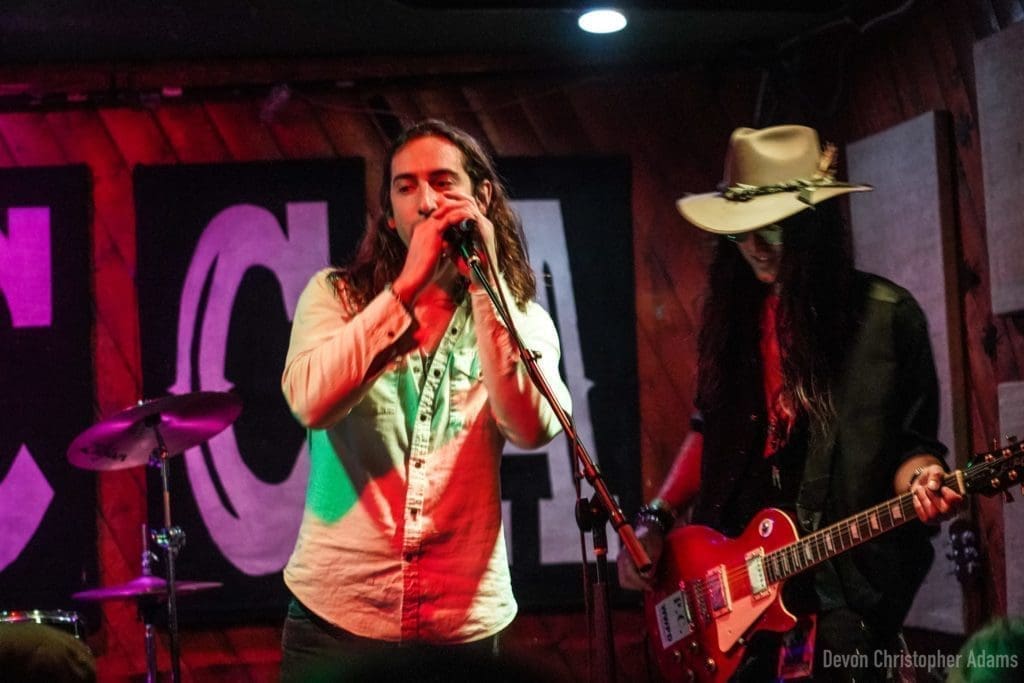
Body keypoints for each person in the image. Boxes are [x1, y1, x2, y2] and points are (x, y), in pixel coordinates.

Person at [617, 124, 964, 682]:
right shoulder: (731, 319)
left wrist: (925, 480)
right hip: (730, 597)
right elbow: (706, 429)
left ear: (812, 228)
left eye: (772, 230)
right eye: (742, 233)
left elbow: (915, 450)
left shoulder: (886, 318)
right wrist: (654, 516)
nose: (754, 248)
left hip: (840, 596)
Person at [278, 119, 569, 681]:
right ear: (389, 212)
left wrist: (487, 290)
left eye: (443, 182)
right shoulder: (334, 297)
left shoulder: (522, 319)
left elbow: (531, 427)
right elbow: (310, 403)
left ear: (481, 196)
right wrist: (405, 290)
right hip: (340, 621)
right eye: (406, 187)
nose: (427, 201)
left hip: (460, 626)